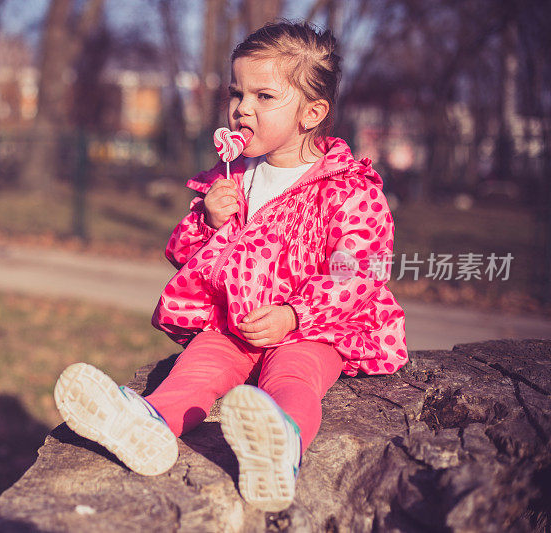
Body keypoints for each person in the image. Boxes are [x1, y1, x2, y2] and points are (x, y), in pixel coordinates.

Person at [53, 19, 408, 512]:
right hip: (233, 322)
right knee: (197, 368)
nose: (242, 107)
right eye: (237, 93)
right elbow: (184, 255)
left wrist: (296, 316)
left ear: (312, 112)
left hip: (314, 329)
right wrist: (207, 218)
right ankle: (148, 425)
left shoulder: (347, 188)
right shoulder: (232, 178)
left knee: (295, 376)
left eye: (264, 96)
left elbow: (359, 270)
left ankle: (279, 446)